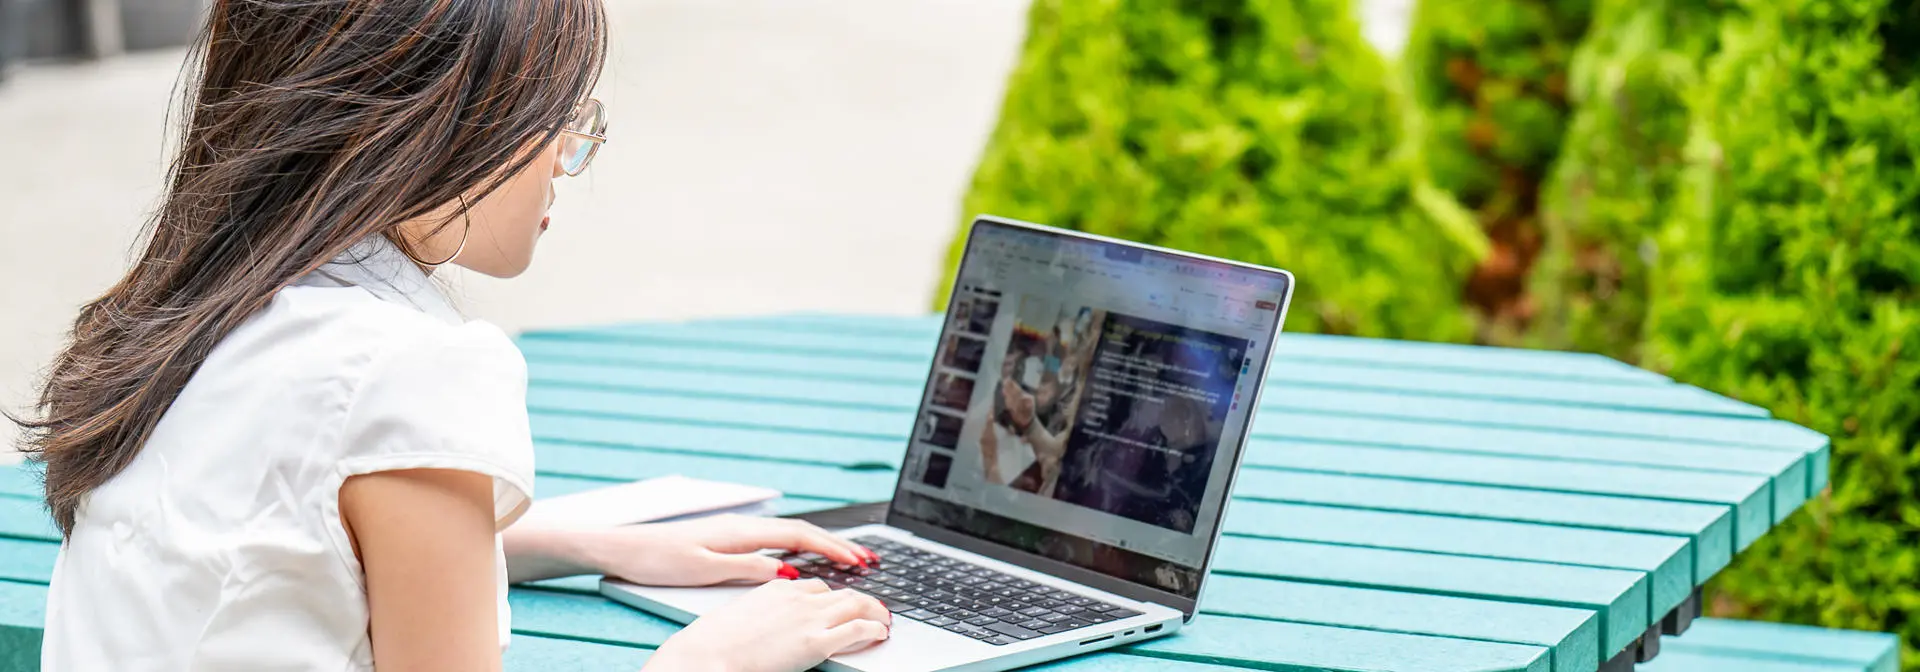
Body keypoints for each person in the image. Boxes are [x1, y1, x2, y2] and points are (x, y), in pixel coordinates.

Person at [8, 1, 890, 670]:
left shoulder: (199, 316)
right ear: (442, 124)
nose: (569, 157)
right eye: (559, 116)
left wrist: (584, 542)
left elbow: (272, 553)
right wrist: (709, 661)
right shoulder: (411, 371)